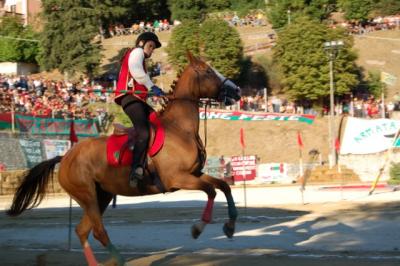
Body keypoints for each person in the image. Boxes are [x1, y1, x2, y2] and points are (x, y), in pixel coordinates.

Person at [114, 31, 165, 187]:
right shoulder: (136, 52)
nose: (152, 50)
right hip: (129, 98)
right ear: (142, 43)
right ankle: (136, 169)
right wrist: (152, 86)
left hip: (137, 99)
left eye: (154, 48)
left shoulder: (139, 56)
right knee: (144, 131)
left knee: (157, 120)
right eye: (151, 46)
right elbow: (136, 72)